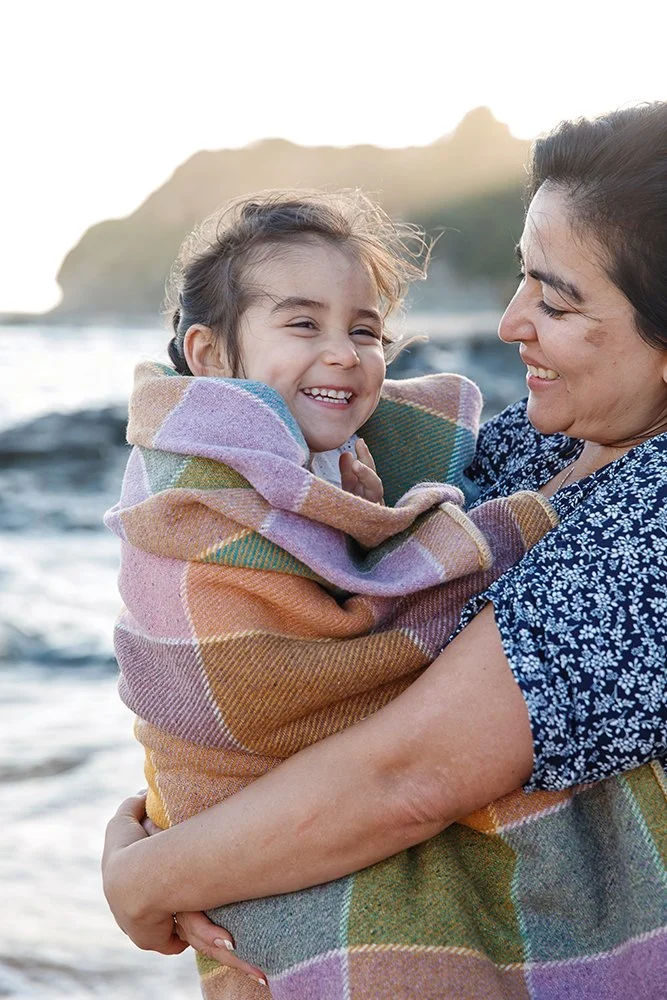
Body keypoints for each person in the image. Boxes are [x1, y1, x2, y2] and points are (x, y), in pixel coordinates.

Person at [103, 104, 667, 1000]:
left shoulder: (655, 521)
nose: (510, 319)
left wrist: (148, 876)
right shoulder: (549, 435)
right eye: (523, 279)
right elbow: (295, 632)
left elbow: (410, 774)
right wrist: (172, 797)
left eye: (555, 300)